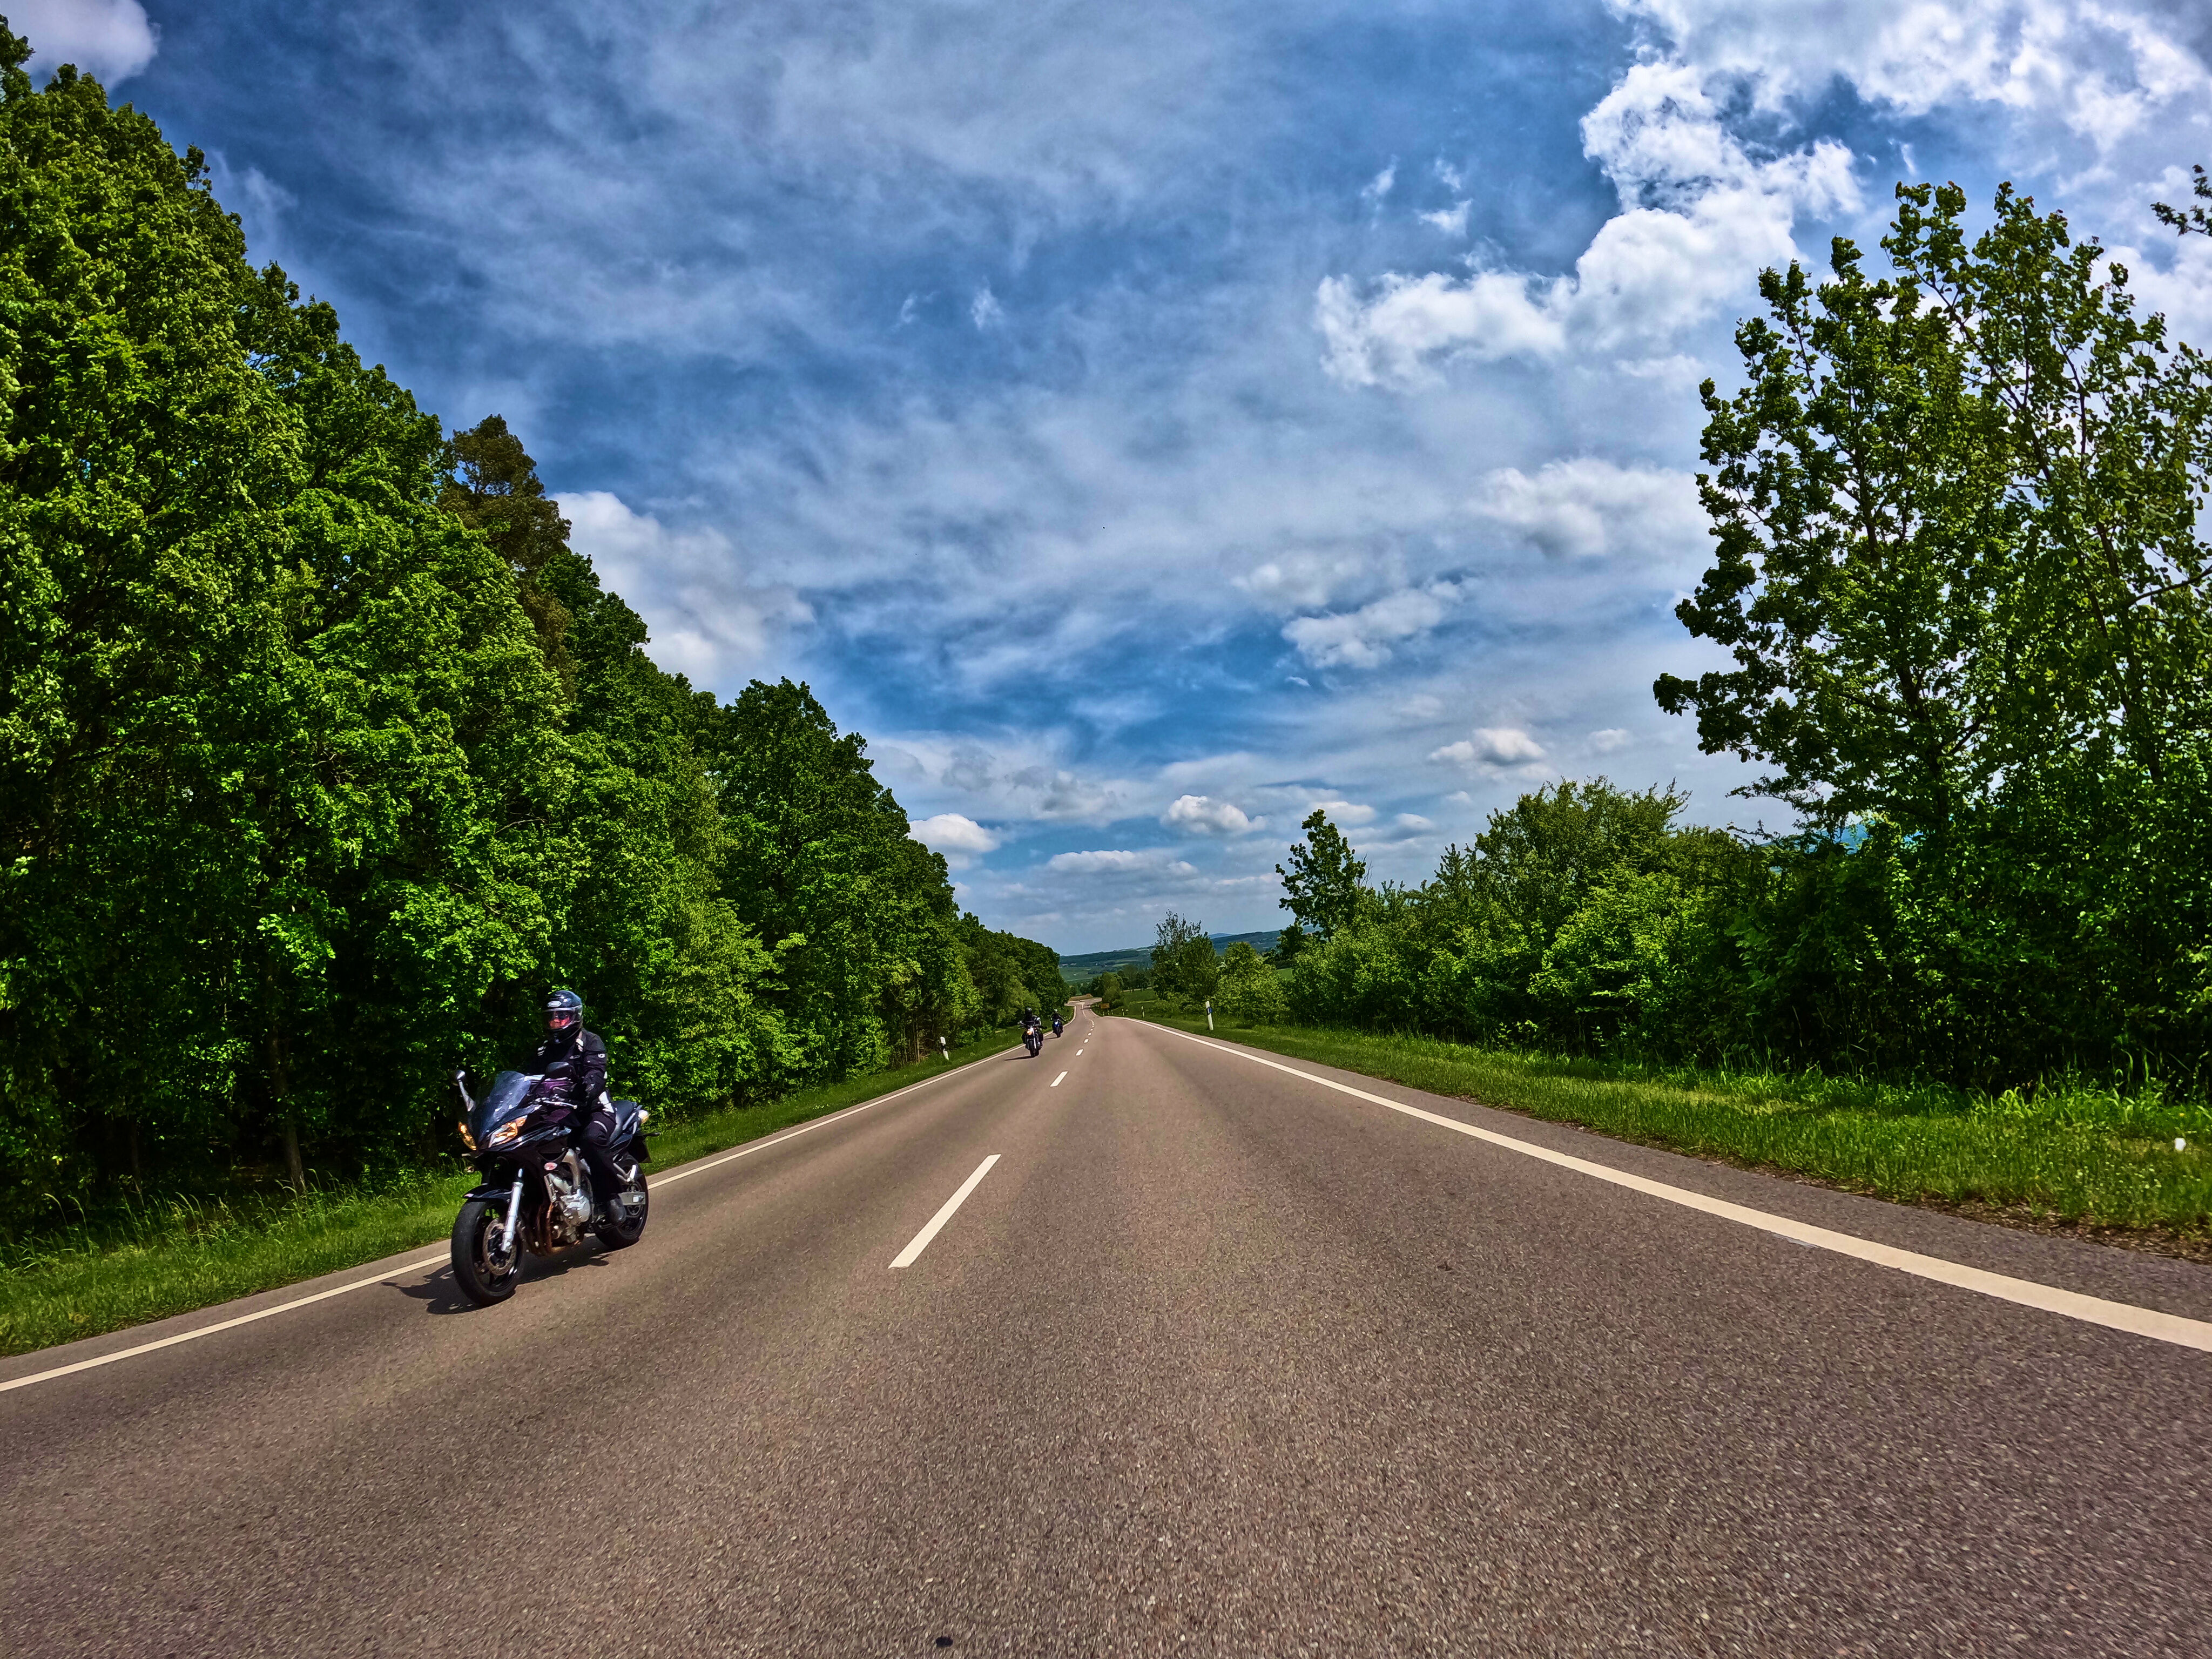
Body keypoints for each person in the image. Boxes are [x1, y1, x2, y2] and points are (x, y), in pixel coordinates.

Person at [520, 988, 623, 1222]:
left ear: (575, 1017)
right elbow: (525, 1079)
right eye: (551, 1017)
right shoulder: (542, 1050)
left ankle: (611, 1197)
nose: (556, 1022)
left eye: (561, 1017)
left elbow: (596, 1073)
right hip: (557, 1114)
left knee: (590, 1140)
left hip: (594, 1110)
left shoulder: (589, 1041)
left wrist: (588, 1087)